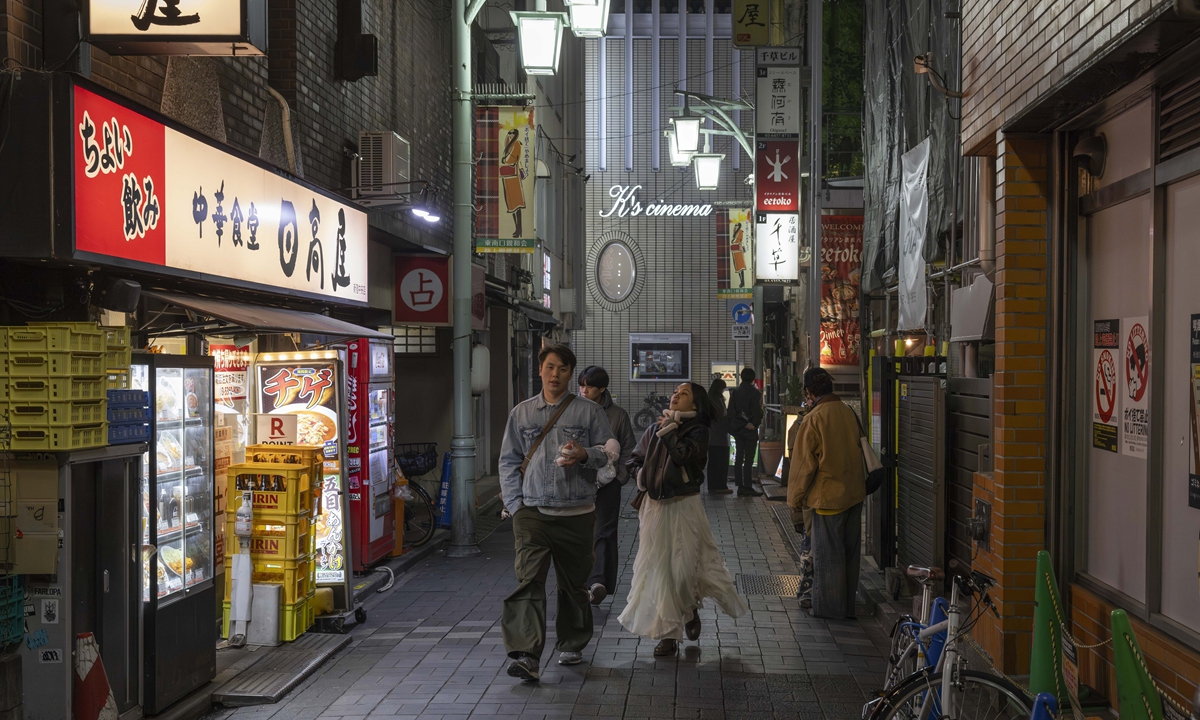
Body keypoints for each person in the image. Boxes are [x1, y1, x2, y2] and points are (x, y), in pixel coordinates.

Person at [498, 345, 616, 682]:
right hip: (532, 512)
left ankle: (572, 641)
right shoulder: (521, 413)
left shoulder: (589, 412)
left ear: (570, 374)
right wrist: (516, 505)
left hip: (577, 512)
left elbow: (608, 454)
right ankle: (526, 655)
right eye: (550, 367)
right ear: (540, 370)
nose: (555, 374)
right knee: (528, 583)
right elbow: (508, 461)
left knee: (573, 584)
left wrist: (585, 454)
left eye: (562, 369)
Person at [620, 382, 749, 656]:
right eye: (675, 392)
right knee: (659, 570)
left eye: (684, 393)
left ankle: (690, 609)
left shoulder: (698, 430)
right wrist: (641, 476)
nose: (675, 395)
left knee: (683, 570)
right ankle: (667, 633)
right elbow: (633, 459)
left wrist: (669, 431)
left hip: (684, 505)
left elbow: (684, 457)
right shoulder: (655, 428)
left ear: (695, 405)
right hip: (654, 507)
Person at [787, 367, 866, 620]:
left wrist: (795, 502)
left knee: (828, 557)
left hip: (827, 499)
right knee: (850, 557)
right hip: (855, 495)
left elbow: (802, 468)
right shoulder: (848, 412)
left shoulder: (814, 419)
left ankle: (829, 610)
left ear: (809, 391)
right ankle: (847, 606)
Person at [577, 365, 637, 606]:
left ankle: (598, 582)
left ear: (602, 388)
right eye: (581, 385)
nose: (583, 390)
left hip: (608, 484)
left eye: (589, 386)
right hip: (579, 482)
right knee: (581, 532)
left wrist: (619, 478)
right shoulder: (574, 410)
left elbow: (630, 449)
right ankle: (580, 581)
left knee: (604, 531)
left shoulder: (618, 415)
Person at [728, 368, 764, 497]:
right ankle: (747, 486)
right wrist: (753, 424)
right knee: (749, 459)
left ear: (741, 377)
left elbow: (730, 411)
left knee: (739, 458)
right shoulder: (755, 393)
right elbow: (757, 411)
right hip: (750, 430)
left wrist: (736, 427)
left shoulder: (735, 392)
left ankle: (740, 485)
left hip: (738, 430)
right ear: (753, 379)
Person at [706, 378, 733, 495]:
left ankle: (712, 486)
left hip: (711, 436)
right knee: (721, 462)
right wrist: (731, 429)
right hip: (719, 436)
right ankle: (720, 485)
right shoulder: (717, 401)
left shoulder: (709, 399)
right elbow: (722, 418)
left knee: (713, 462)